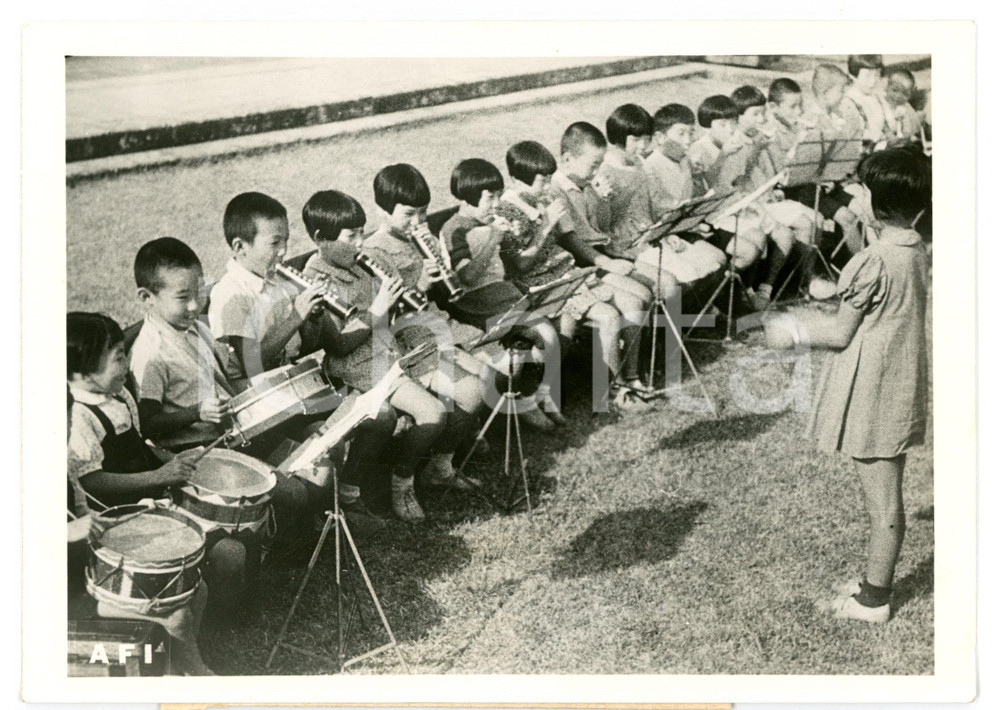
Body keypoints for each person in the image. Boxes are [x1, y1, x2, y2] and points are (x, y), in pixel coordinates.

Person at [764, 147, 930, 623]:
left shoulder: (872, 261)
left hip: (873, 388)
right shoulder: (913, 248)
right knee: (886, 498)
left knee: (883, 506)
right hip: (898, 381)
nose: (854, 198)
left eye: (861, 191)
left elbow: (839, 332)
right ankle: (872, 584)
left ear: (877, 201)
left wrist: (792, 330)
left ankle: (874, 600)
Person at [208, 192, 396, 533]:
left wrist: (312, 320)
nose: (283, 252)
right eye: (274, 243)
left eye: (286, 241)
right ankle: (315, 521)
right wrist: (296, 316)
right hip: (262, 411)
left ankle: (347, 500)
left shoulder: (277, 285)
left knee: (379, 415)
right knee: (329, 444)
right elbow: (252, 366)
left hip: (296, 393)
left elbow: (302, 348)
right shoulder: (230, 295)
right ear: (240, 247)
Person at [299, 189, 482, 517]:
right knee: (431, 412)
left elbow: (404, 311)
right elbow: (339, 344)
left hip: (399, 348)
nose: (359, 243)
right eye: (350, 236)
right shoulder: (316, 278)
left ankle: (439, 469)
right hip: (360, 364)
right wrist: (380, 308)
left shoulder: (370, 259)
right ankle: (401, 482)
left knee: (471, 390)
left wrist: (418, 287)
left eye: (361, 232)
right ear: (320, 239)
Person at [67, 311, 246, 612]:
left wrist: (175, 461)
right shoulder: (79, 418)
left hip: (151, 496)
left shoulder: (120, 394)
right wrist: (160, 477)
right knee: (229, 552)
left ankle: (215, 617)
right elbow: (92, 483)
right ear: (82, 375)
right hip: (116, 517)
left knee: (233, 549)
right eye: (118, 359)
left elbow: (138, 444)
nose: (127, 365)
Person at [363, 163, 495, 520]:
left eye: (422, 213)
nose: (417, 221)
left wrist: (439, 273)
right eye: (408, 214)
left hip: (434, 331)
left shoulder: (417, 238)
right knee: (467, 389)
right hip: (403, 343)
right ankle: (402, 480)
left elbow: (439, 296)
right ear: (382, 210)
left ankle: (440, 466)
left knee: (484, 378)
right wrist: (419, 284)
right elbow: (380, 320)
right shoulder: (373, 252)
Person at [495, 140, 641, 418]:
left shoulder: (542, 198)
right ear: (516, 179)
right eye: (542, 180)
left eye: (550, 178)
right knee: (609, 317)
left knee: (624, 306)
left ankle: (616, 388)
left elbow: (569, 236)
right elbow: (520, 263)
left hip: (564, 274)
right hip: (539, 285)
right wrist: (547, 224)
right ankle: (611, 391)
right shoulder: (508, 210)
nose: (548, 186)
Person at [439, 158, 565, 427]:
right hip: (476, 303)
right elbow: (467, 275)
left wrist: (541, 229)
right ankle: (530, 400)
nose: (496, 204)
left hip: (504, 295)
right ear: (468, 197)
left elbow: (519, 261)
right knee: (543, 332)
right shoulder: (454, 228)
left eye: (498, 196)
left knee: (555, 326)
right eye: (489, 198)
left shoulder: (492, 221)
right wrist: (494, 238)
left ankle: (537, 395)